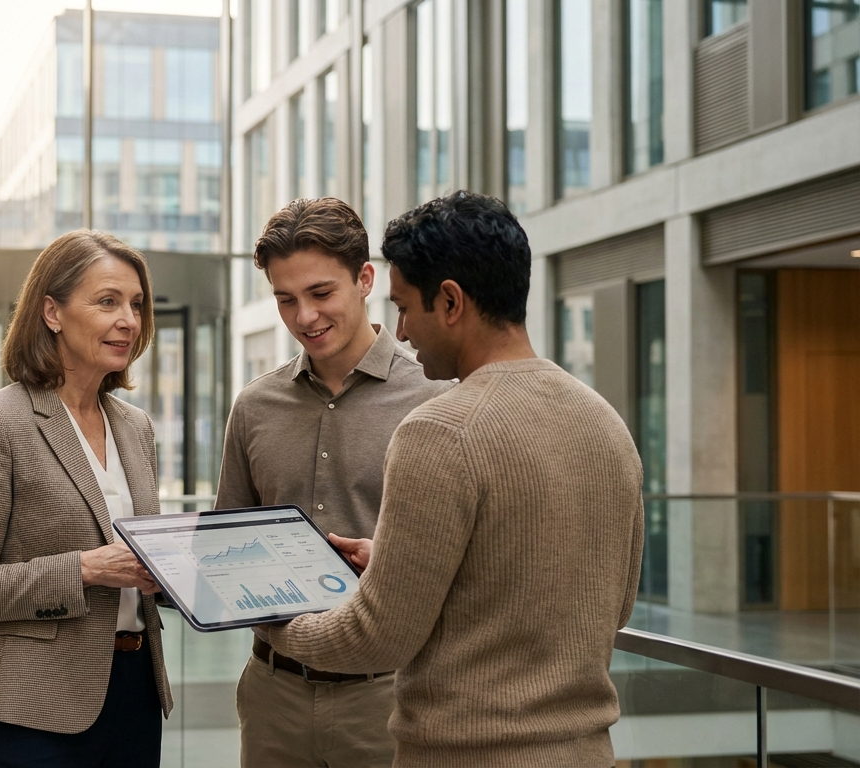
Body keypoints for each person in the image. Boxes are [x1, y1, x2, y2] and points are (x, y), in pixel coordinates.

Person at [263, 191, 644, 767]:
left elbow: (378, 637)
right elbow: (613, 605)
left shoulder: (440, 429)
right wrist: (400, 562)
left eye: (405, 307)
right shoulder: (604, 421)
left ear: (450, 302)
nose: (403, 332)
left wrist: (274, 623)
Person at [217, 197, 451, 767]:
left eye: (321, 294)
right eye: (285, 299)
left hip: (389, 696)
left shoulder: (439, 396)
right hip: (274, 693)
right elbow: (226, 547)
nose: (304, 317)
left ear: (365, 279)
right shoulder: (254, 405)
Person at [0, 230, 172, 768]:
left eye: (136, 305)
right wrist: (85, 569)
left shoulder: (135, 428)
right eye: (107, 301)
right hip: (35, 709)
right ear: (52, 312)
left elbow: (139, 568)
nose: (129, 320)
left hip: (136, 695)